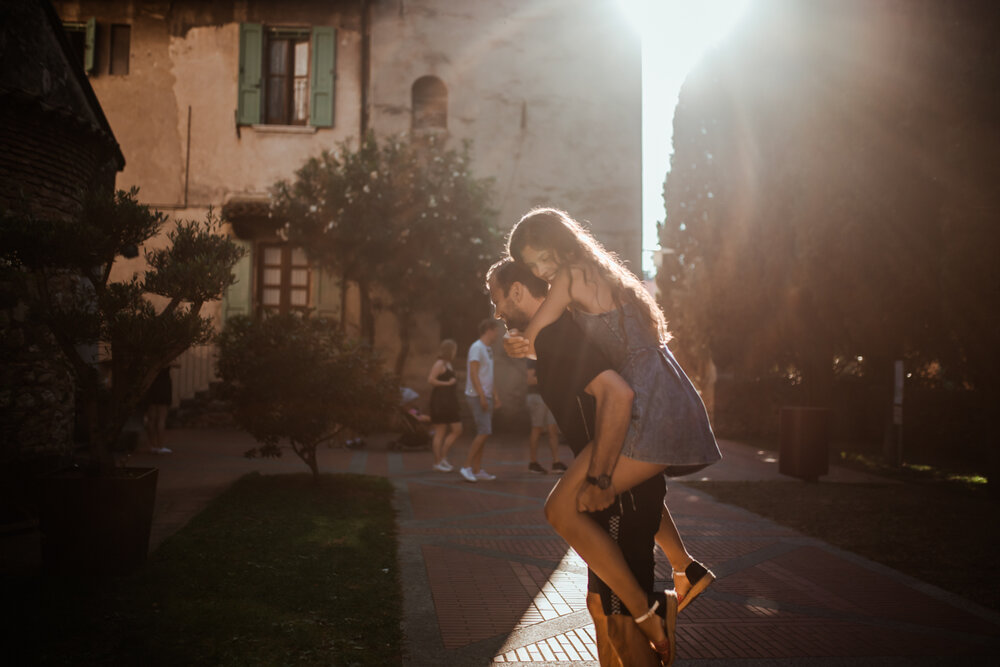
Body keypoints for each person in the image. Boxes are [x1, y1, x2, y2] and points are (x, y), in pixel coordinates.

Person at [488, 257, 677, 665]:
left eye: (497, 298)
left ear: (517, 290)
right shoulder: (555, 333)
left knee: (622, 628)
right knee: (602, 610)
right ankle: (651, 611)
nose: (497, 311)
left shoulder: (558, 336)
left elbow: (617, 395)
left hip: (615, 493)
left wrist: (600, 478)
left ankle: (650, 617)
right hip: (619, 487)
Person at [460, 319, 502, 483]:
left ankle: (477, 469)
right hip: (477, 396)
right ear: (489, 330)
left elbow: (488, 375)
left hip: (486, 396)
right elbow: (474, 374)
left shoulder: (487, 349)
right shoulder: (476, 348)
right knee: (484, 432)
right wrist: (482, 396)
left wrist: (495, 396)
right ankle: (466, 467)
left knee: (483, 433)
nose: (498, 333)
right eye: (497, 330)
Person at [525, 358, 566, 474]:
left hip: (548, 397)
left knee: (552, 429)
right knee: (537, 428)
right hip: (537, 397)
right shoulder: (532, 358)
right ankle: (533, 463)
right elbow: (530, 380)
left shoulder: (548, 356)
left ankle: (556, 462)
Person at [427, 339, 463, 472]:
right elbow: (430, 379)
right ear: (450, 350)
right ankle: (437, 462)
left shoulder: (448, 364)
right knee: (440, 432)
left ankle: (442, 458)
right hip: (440, 402)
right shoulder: (439, 363)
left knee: (457, 430)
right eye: (454, 349)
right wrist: (447, 384)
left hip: (450, 401)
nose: (455, 352)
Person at [143, 365, 174, 454]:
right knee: (161, 418)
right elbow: (177, 364)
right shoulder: (166, 357)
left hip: (152, 386)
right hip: (163, 387)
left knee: (151, 418)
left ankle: (153, 445)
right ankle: (160, 445)